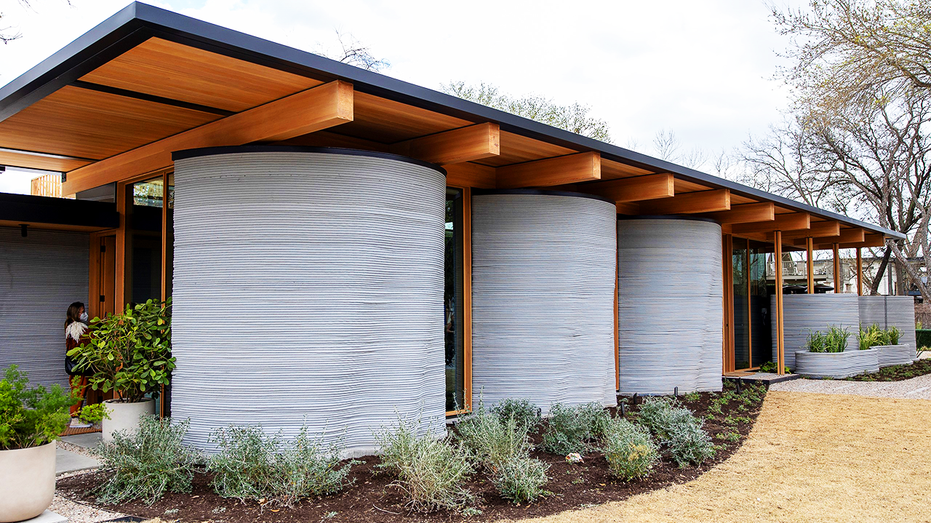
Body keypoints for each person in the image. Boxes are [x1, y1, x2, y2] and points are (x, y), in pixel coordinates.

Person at [65, 301, 91, 425]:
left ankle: (76, 417)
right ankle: (75, 419)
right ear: (76, 313)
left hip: (76, 366)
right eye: (82, 311)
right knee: (78, 390)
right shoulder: (77, 328)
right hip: (78, 365)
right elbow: (85, 342)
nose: (85, 314)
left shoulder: (70, 327)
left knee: (78, 389)